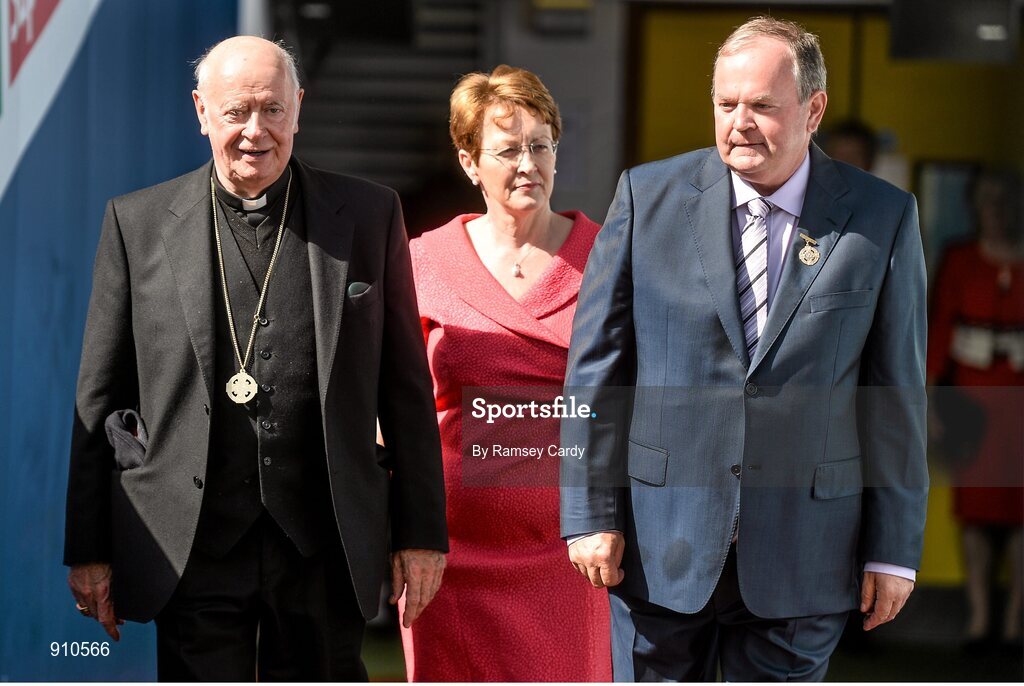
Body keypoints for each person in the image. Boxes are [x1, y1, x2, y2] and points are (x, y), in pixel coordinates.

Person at [63, 36, 447, 681]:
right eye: (236, 111)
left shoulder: (369, 214)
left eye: (272, 109)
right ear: (201, 111)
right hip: (190, 543)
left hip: (325, 539)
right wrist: (90, 550)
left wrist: (421, 534)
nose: (254, 131)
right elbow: (98, 399)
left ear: (299, 107)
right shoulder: (137, 222)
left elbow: (406, 390)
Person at [561, 16, 929, 681]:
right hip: (658, 548)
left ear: (813, 109)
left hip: (806, 555)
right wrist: (589, 511)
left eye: (762, 105)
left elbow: (895, 397)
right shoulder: (646, 198)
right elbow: (595, 374)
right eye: (726, 104)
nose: (739, 122)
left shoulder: (882, 217)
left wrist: (894, 550)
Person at [399, 65, 612, 681]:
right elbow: (394, 403)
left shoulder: (608, 259)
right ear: (469, 162)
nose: (528, 164)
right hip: (447, 554)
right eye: (508, 149)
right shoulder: (423, 260)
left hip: (571, 551)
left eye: (541, 145)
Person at [928, 169, 1023, 652]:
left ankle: (1013, 624)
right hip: (973, 401)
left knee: (1020, 513)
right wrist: (930, 399)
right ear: (974, 206)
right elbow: (941, 327)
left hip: (1020, 400)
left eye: (1005, 198)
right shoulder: (961, 259)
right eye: (987, 199)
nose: (997, 209)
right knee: (978, 510)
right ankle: (980, 619)